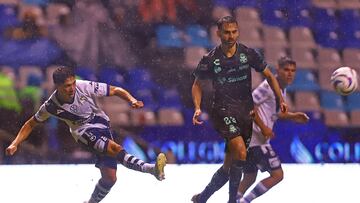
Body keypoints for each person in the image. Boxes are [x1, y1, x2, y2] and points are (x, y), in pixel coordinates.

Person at [5, 66, 167, 203]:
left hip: (102, 124)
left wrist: (131, 100)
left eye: (73, 83)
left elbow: (115, 90)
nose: (72, 88)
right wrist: (15, 143)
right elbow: (31, 123)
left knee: (110, 178)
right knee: (114, 148)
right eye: (67, 86)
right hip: (83, 132)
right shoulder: (51, 106)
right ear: (57, 86)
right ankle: (151, 169)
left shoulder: (84, 86)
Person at [191, 16, 287, 203]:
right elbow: (197, 85)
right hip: (222, 111)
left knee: (229, 167)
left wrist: (281, 98)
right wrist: (196, 107)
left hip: (245, 113)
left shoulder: (248, 54)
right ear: (218, 33)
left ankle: (202, 198)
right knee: (241, 152)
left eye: (234, 31)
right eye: (226, 32)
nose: (231, 36)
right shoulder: (210, 59)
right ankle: (232, 200)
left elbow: (269, 75)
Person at [192, 56, 310, 203]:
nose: (290, 73)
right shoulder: (268, 87)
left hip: (249, 136)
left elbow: (271, 113)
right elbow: (249, 106)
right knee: (277, 174)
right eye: (286, 69)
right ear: (277, 70)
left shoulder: (280, 90)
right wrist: (263, 128)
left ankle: (205, 198)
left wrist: (292, 116)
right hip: (255, 139)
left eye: (293, 70)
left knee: (248, 175)